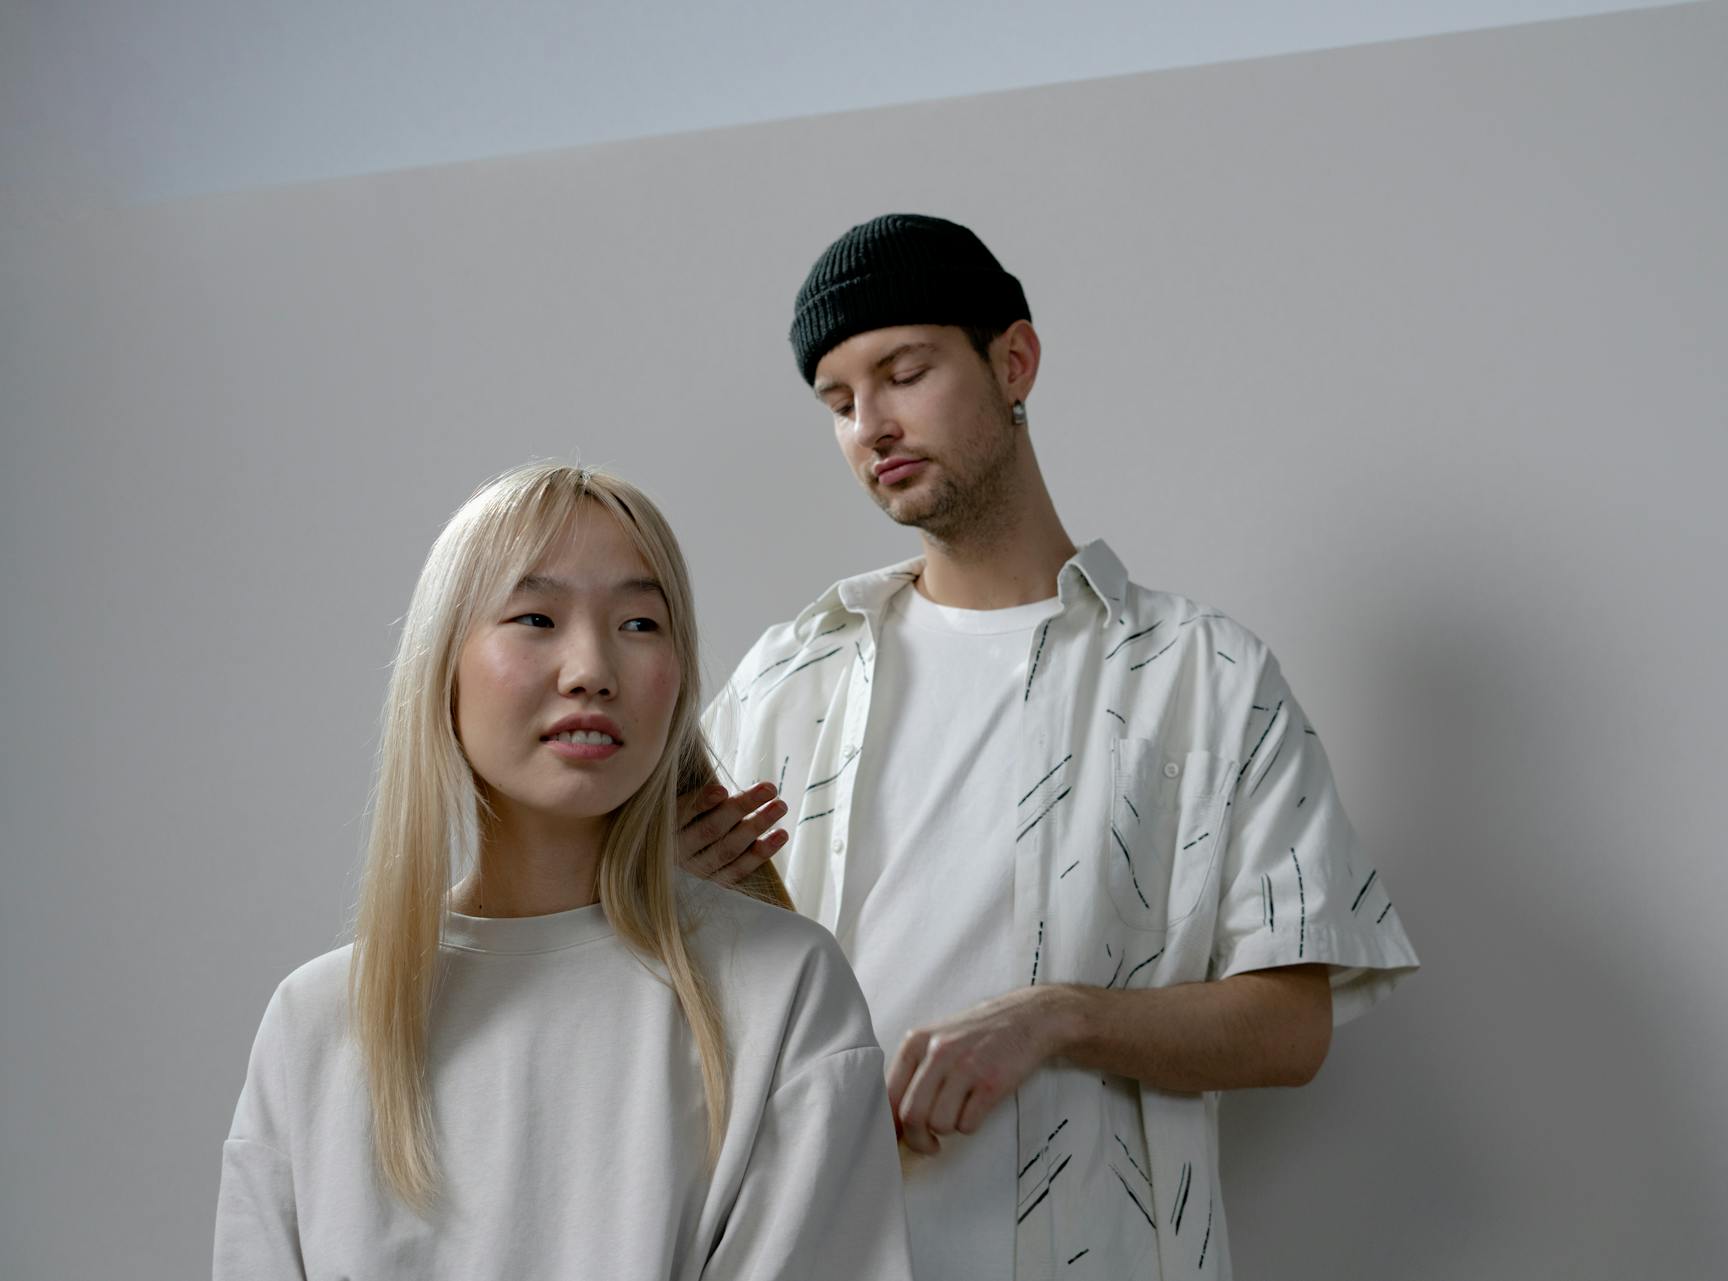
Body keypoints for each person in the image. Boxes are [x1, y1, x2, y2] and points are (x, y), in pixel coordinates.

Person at [686, 214, 1421, 1280]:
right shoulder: (784, 677)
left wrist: (1055, 1019)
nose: (871, 426)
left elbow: (1290, 1028)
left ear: (1013, 360)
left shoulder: (1205, 677)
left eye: (904, 372)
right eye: (839, 402)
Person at [213, 462, 913, 1279]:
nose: (592, 668)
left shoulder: (784, 990)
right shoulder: (318, 1023)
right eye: (536, 616)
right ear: (443, 666)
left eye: (642, 623)